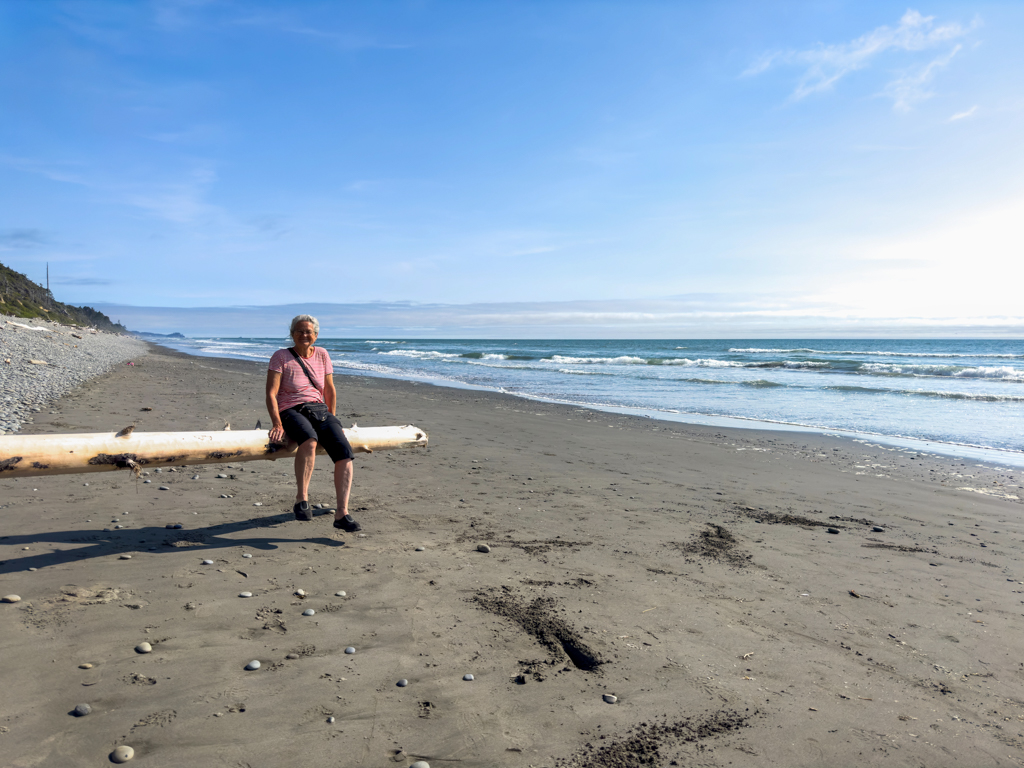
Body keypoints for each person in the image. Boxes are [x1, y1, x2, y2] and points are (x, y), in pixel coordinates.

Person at [265, 314, 361, 532]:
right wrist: (277, 424)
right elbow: (271, 394)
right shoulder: (280, 356)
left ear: (316, 335)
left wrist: (332, 418)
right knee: (308, 440)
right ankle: (302, 499)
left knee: (344, 452)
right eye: (299, 331)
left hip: (319, 410)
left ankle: (342, 513)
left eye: (308, 331)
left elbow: (329, 389)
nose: (304, 335)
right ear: (292, 334)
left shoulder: (323, 354)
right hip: (290, 409)